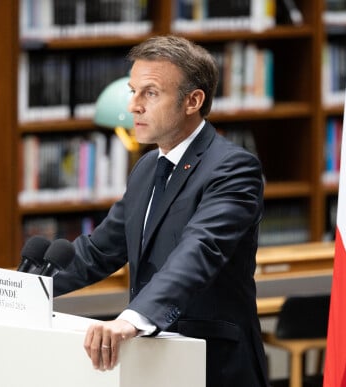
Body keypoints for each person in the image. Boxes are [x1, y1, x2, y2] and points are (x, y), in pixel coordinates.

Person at [51, 35, 269, 387]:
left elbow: (199, 250)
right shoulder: (147, 167)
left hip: (212, 364)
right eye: (132, 91)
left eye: (149, 93)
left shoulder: (233, 168)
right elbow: (97, 252)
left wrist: (133, 318)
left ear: (192, 101)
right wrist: (15, 290)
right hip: (151, 362)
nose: (134, 105)